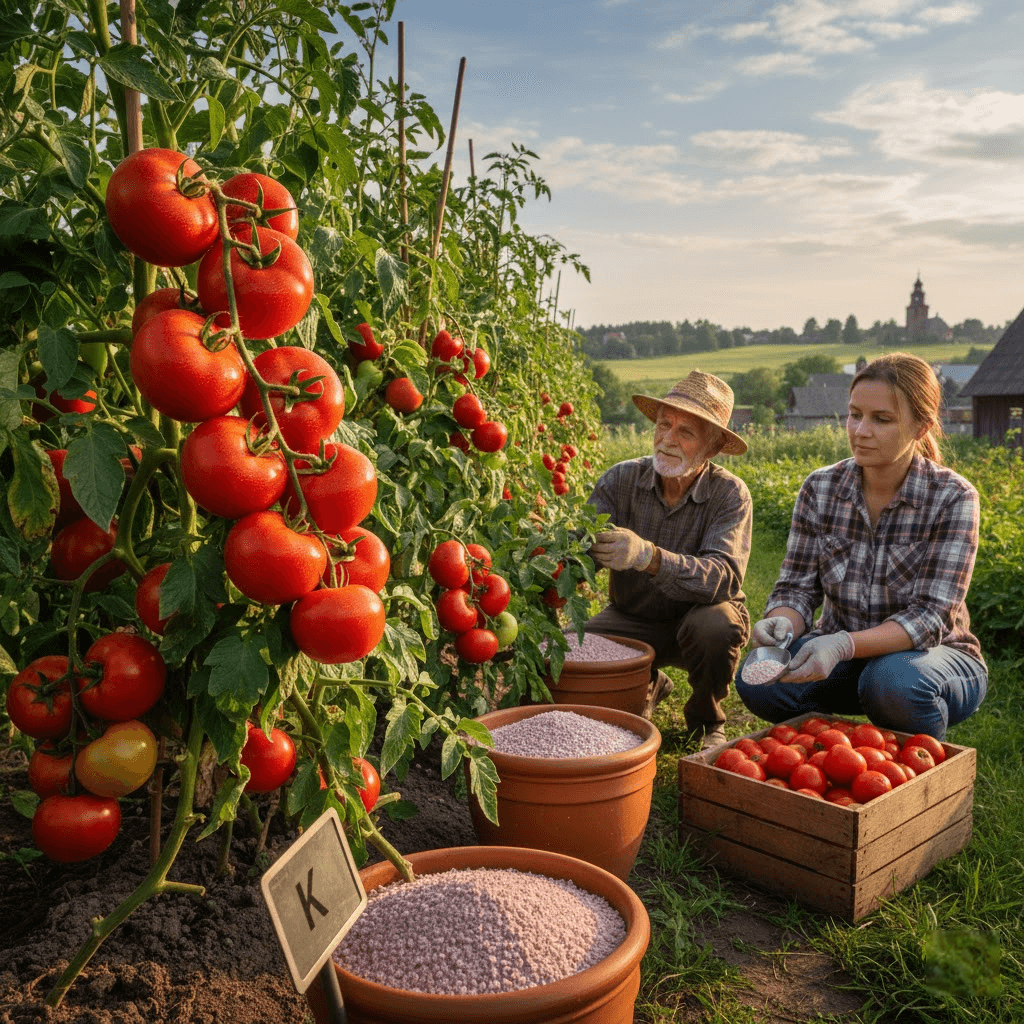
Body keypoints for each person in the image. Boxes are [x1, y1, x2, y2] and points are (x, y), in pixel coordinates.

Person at [736, 352, 987, 741]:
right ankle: (832, 750)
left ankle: (921, 776)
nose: (860, 430)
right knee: (758, 678)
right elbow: (796, 587)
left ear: (921, 426)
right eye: (855, 415)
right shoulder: (821, 488)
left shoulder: (953, 497)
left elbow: (931, 618)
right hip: (845, 656)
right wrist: (783, 622)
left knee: (890, 682)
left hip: (934, 659)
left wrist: (842, 644)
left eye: (881, 419)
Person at [586, 370, 752, 748]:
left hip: (698, 616)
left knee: (716, 626)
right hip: (633, 616)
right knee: (575, 651)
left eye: (686, 432)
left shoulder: (729, 495)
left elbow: (724, 577)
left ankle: (706, 720)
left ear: (711, 448)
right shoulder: (620, 480)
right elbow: (581, 546)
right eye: (664, 424)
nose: (667, 440)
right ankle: (648, 683)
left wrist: (649, 556)